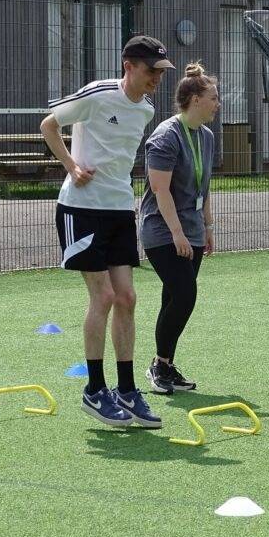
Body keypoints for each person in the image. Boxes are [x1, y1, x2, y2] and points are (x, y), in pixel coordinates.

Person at [40, 34, 173, 429]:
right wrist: (71, 166)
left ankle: (128, 391)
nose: (157, 79)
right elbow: (49, 125)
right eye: (152, 71)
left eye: (161, 73)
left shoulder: (146, 111)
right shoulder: (98, 94)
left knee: (128, 297)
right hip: (80, 209)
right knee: (105, 296)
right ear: (128, 66)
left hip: (119, 209)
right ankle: (95, 390)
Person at [140, 63, 220, 395]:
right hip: (162, 230)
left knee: (174, 296)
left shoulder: (207, 136)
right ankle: (158, 366)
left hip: (192, 229)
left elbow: (204, 186)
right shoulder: (166, 135)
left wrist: (207, 227)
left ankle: (166, 366)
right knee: (185, 294)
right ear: (194, 99)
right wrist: (177, 233)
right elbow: (160, 189)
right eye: (213, 98)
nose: (217, 104)